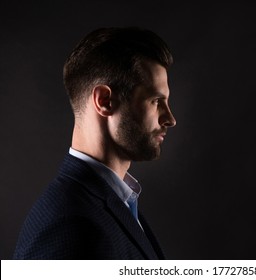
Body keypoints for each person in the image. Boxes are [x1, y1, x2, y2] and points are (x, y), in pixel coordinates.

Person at [13, 27, 176, 259]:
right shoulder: (67, 222)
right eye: (156, 101)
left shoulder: (117, 202)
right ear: (104, 100)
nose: (170, 118)